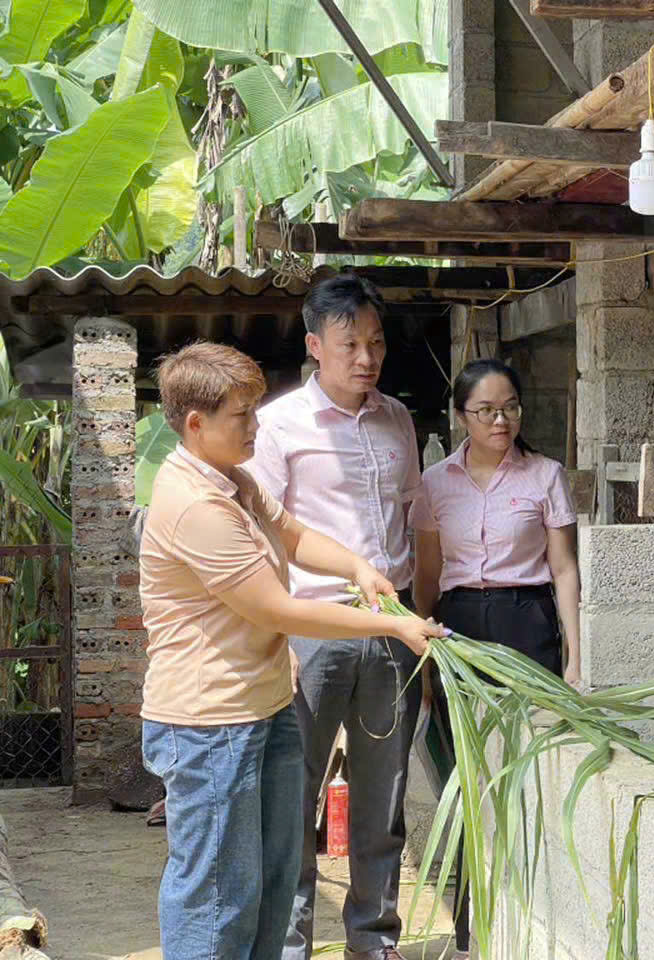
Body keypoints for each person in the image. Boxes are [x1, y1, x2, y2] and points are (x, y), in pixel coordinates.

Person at [139, 341, 444, 960]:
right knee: (219, 892)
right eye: (241, 415)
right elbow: (276, 609)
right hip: (210, 723)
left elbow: (295, 534)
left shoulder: (234, 479)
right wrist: (391, 626)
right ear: (195, 424)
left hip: (266, 701)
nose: (256, 425)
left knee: (274, 879)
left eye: (255, 410)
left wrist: (358, 567)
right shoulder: (193, 503)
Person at [244, 273, 428, 960]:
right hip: (311, 633)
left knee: (383, 804)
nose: (366, 358)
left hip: (390, 634)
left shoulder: (398, 420)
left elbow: (413, 522)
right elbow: (264, 538)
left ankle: (373, 943)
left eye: (375, 342)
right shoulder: (279, 425)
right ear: (316, 345)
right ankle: (290, 947)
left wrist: (417, 622)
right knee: (294, 802)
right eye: (350, 344)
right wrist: (276, 637)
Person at [412, 358, 584, 957]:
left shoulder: (545, 476)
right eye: (486, 410)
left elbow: (564, 572)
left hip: (527, 625)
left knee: (528, 770)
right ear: (461, 416)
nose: (501, 420)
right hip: (458, 632)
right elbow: (428, 577)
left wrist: (574, 660)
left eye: (510, 407)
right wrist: (427, 661)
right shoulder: (435, 483)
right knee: (468, 778)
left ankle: (535, 915)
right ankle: (471, 926)